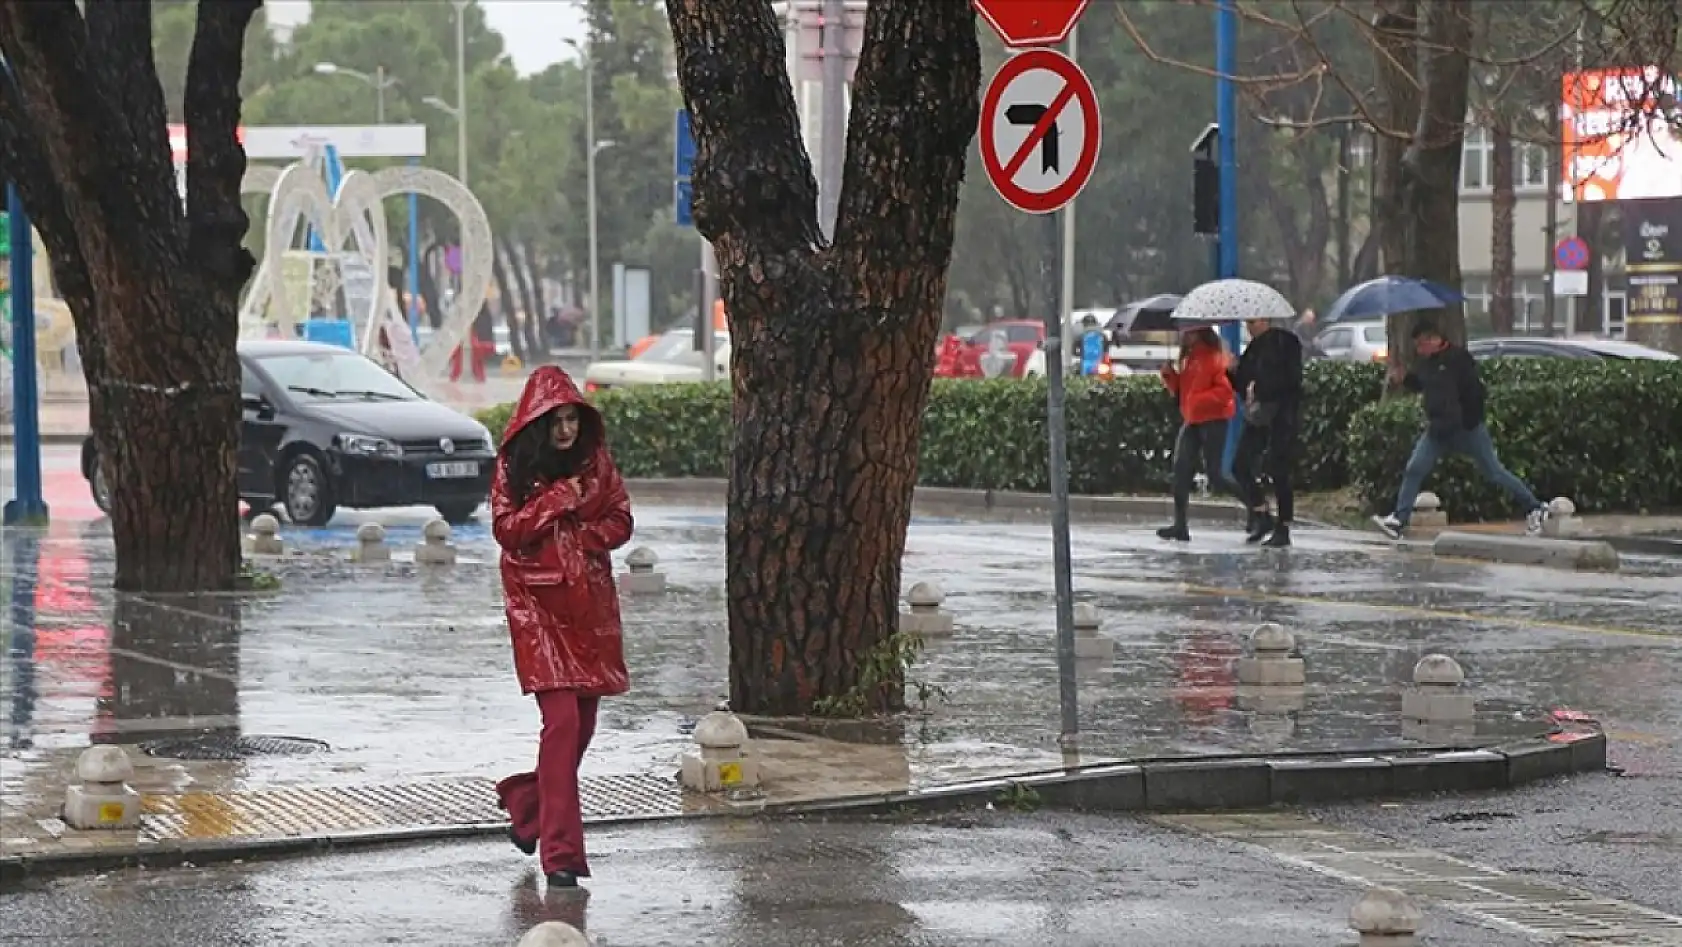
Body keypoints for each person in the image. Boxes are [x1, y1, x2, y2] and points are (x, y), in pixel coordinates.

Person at [491, 366, 634, 890]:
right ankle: (561, 855)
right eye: (558, 420)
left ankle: (529, 809)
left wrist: (588, 537)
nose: (567, 430)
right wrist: (556, 502)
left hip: (589, 609)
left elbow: (621, 517)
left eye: (573, 418)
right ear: (538, 422)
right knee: (562, 726)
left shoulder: (595, 461)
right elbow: (506, 531)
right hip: (537, 610)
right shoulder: (512, 467)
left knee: (582, 729)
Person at [1372, 322, 1550, 539]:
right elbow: (1422, 384)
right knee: (1415, 468)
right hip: (1437, 431)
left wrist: (1468, 421)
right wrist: (1404, 378)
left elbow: (1475, 392)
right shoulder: (1427, 363)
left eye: (1421, 345)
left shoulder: (1459, 359)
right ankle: (1399, 519)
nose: (1419, 350)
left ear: (1433, 339)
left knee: (1494, 471)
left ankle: (1535, 507)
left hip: (1467, 429)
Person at [1156, 326, 1238, 541]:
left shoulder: (1212, 358)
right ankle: (1180, 525)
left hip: (1212, 421)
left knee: (1216, 476)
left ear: (1199, 334)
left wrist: (1199, 400)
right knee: (1181, 471)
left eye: (1189, 333)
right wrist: (1169, 376)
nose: (1185, 336)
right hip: (1192, 420)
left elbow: (1224, 392)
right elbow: (1182, 392)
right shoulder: (1190, 358)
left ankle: (1257, 509)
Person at [1231, 314, 1304, 547]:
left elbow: (1290, 380)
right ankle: (1261, 513)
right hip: (1259, 415)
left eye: (1253, 322)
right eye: (1247, 323)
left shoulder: (1286, 343)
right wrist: (1231, 370)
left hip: (1282, 415)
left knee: (1278, 468)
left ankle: (1283, 526)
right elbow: (1242, 383)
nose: (1250, 328)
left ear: (1266, 320)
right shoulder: (1253, 349)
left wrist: (1260, 387)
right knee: (1240, 465)